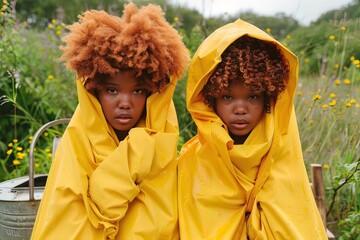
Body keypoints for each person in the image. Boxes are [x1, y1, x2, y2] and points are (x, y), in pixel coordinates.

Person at [31, 3, 189, 239]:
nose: (125, 103)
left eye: (137, 91)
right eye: (112, 91)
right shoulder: (78, 144)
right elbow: (66, 222)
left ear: (152, 93)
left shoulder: (160, 138)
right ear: (93, 92)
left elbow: (161, 217)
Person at [178, 19, 328, 239]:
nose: (240, 109)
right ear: (209, 99)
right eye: (228, 97)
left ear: (270, 98)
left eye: (253, 96)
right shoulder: (193, 164)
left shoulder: (283, 162)